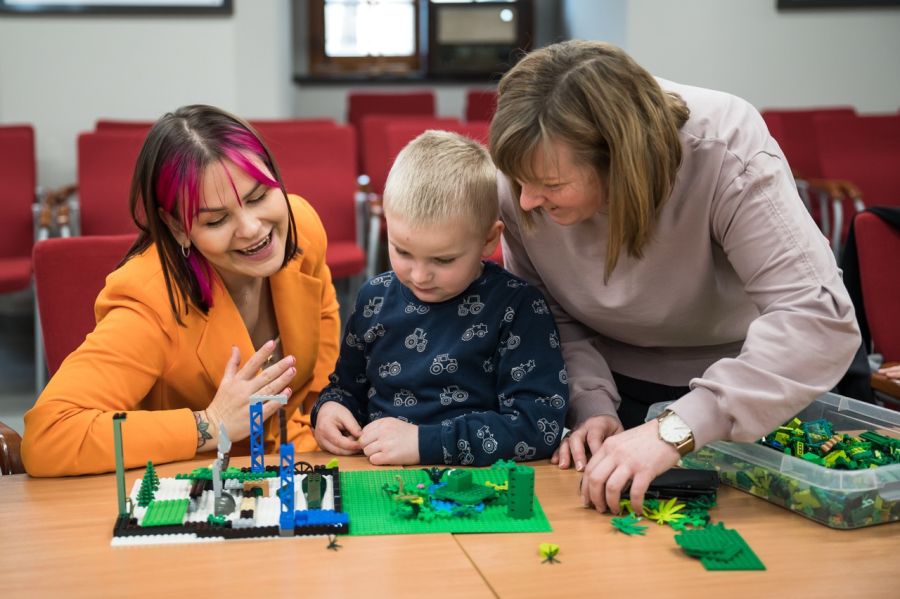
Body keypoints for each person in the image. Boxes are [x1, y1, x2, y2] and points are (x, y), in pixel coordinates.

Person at [489, 40, 860, 514]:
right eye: (519, 183)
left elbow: (817, 320)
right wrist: (592, 406)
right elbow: (551, 317)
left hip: (756, 388)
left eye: (552, 186)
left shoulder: (724, 144)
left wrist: (676, 428)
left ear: (620, 161)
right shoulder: (527, 171)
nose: (525, 201)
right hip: (617, 391)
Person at [22, 105, 340, 476]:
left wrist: (326, 408)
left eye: (258, 197)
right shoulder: (150, 299)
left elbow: (323, 328)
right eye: (217, 220)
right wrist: (210, 423)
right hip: (198, 483)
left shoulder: (300, 226)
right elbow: (48, 435)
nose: (252, 228)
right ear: (177, 227)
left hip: (297, 460)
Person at [311, 130, 568, 466]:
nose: (419, 276)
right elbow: (347, 387)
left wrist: (425, 443)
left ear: (489, 240)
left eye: (443, 260)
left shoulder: (518, 308)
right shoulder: (373, 299)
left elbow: (537, 427)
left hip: (480, 486)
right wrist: (330, 408)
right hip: (378, 480)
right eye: (403, 251)